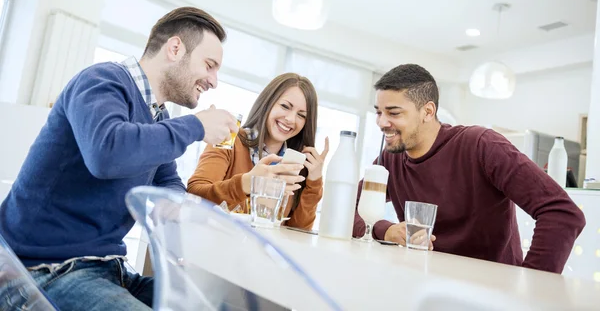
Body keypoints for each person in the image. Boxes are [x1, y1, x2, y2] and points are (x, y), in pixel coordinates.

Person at [0, 7, 239, 311]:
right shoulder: (101, 81)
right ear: (175, 48)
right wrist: (197, 125)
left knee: (222, 306)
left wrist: (174, 209)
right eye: (209, 65)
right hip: (43, 269)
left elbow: (167, 181)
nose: (214, 81)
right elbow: (107, 153)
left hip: (108, 269)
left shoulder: (158, 117)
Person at [353, 63, 586, 274]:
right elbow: (348, 209)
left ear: (428, 111)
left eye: (393, 113)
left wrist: (529, 288)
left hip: (490, 293)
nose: (382, 122)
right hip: (424, 285)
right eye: (379, 112)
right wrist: (386, 230)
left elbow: (562, 213)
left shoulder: (482, 145)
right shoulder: (390, 160)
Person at [188, 73, 328, 230]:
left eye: (301, 115)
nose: (291, 119)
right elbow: (196, 196)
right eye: (285, 106)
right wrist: (247, 183)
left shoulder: (294, 164)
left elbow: (297, 231)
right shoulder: (229, 137)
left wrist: (314, 182)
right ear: (268, 103)